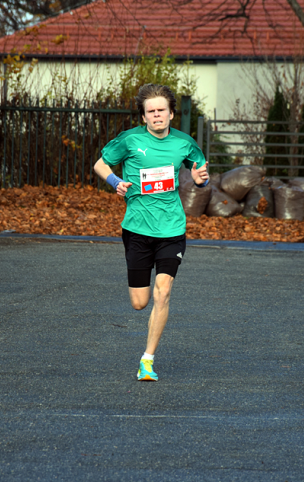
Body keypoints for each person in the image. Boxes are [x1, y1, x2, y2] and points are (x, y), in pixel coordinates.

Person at [93, 84, 208, 381]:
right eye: (151, 111)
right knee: (139, 302)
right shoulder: (130, 140)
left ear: (171, 113)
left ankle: (147, 360)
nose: (157, 115)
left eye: (161, 110)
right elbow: (100, 163)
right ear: (144, 116)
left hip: (172, 228)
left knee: (164, 291)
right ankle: (146, 344)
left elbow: (201, 173)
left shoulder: (185, 143)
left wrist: (198, 180)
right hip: (137, 229)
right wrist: (115, 181)